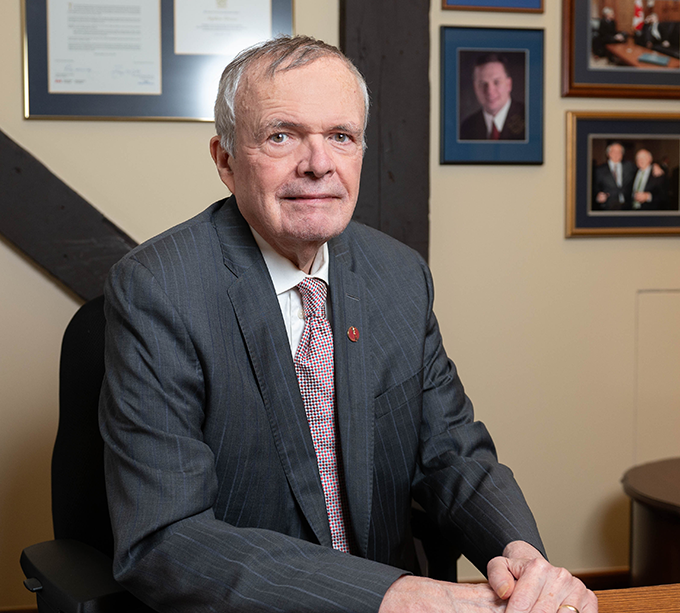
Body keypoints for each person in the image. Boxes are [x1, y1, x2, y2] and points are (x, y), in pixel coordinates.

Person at [99, 35, 597, 613]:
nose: (318, 164)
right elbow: (166, 537)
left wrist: (522, 558)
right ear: (226, 160)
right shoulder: (159, 288)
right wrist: (401, 599)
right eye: (281, 136)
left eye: (341, 136)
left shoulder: (399, 274)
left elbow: (453, 453)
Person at [458, 53, 526, 141]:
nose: (490, 91)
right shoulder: (467, 128)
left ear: (509, 84)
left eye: (496, 82)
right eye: (483, 84)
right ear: (475, 88)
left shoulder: (529, 119)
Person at [592, 142, 635, 210]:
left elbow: (643, 170)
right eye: (614, 151)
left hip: (627, 207)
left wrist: (654, 167)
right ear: (608, 153)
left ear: (622, 154)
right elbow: (594, 188)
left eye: (619, 151)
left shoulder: (630, 166)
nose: (616, 154)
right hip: (608, 207)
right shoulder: (599, 170)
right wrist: (597, 196)